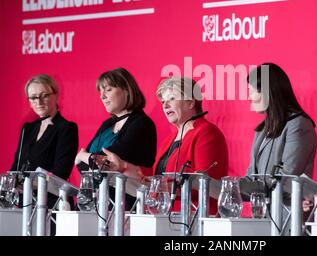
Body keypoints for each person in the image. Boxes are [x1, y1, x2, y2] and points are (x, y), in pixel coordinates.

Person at [101, 76, 228, 213]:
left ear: (191, 102)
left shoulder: (207, 134)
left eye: (172, 99)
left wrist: (160, 186)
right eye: (163, 101)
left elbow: (204, 185)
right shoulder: (170, 139)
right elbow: (154, 176)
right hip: (164, 215)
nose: (165, 105)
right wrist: (123, 166)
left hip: (194, 218)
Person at [74, 68, 157, 209]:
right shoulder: (107, 124)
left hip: (123, 205)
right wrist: (87, 158)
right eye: (100, 92)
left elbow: (109, 162)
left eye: (108, 90)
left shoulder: (141, 123)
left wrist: (83, 155)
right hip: (94, 201)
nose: (102, 96)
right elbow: (82, 165)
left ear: (126, 89)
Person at [245, 63, 317, 212]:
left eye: (251, 92)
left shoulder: (299, 125)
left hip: (287, 217)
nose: (249, 97)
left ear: (267, 92)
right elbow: (252, 177)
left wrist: (253, 188)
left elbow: (286, 177)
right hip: (262, 216)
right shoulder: (262, 129)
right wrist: (225, 187)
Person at [10, 74, 78, 209]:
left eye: (44, 95)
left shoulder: (66, 128)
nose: (39, 102)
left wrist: (27, 183)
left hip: (52, 203)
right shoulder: (27, 128)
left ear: (56, 95)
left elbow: (61, 172)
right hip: (25, 202)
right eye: (33, 97)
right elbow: (16, 165)